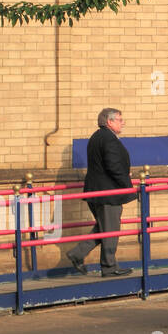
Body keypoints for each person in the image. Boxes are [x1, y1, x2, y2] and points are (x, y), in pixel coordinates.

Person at [66, 108, 135, 277]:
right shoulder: (109, 139)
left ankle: (77, 254)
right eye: (119, 119)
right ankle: (109, 267)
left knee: (104, 228)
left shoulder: (97, 137)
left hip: (95, 192)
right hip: (108, 193)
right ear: (109, 122)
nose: (122, 122)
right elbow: (113, 166)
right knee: (111, 230)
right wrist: (128, 183)